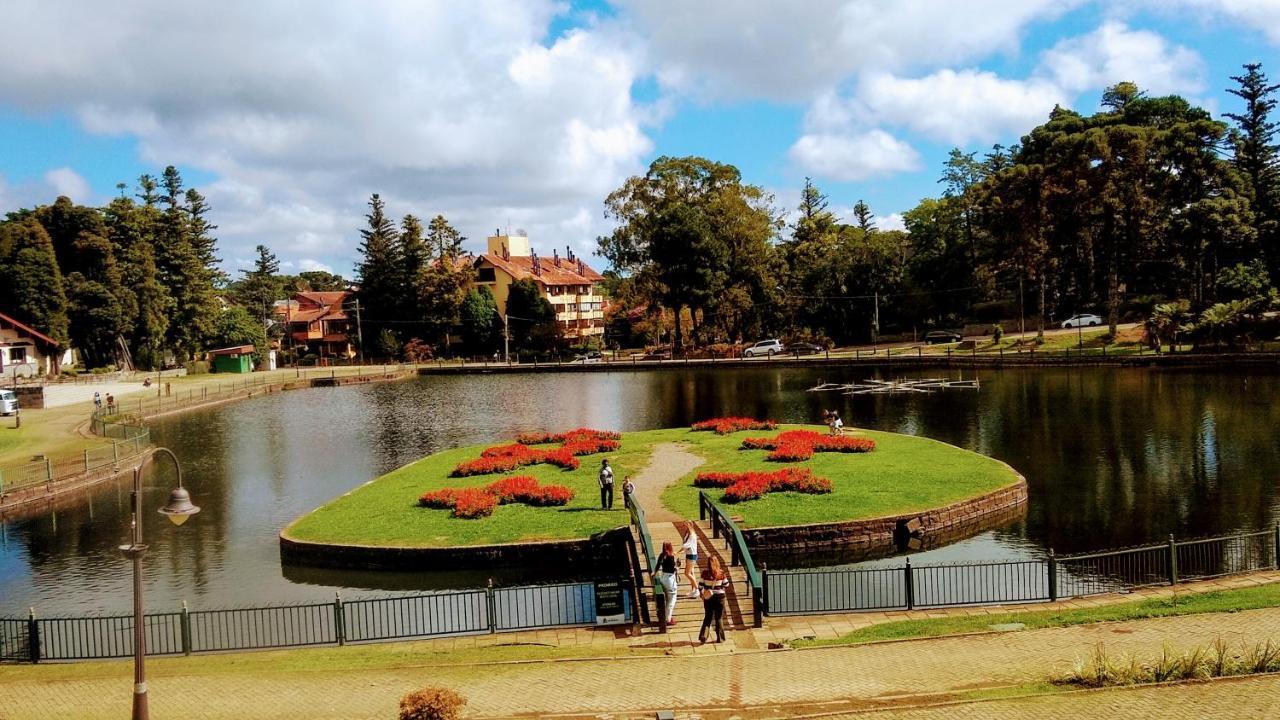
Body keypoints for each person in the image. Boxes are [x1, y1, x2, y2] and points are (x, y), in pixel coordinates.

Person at [698, 556, 730, 644]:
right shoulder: (721, 573)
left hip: (709, 597)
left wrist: (702, 593)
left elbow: (700, 586)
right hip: (720, 597)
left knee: (708, 616)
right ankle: (720, 638)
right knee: (718, 617)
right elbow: (726, 584)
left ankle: (704, 636)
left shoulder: (704, 573)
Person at [653, 541, 679, 626]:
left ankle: (667, 616)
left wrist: (654, 572)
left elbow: (658, 565)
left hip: (663, 578)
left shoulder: (662, 555)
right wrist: (677, 566)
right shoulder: (670, 556)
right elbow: (672, 569)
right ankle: (668, 619)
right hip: (670, 579)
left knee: (667, 599)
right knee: (671, 600)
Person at [681, 524, 699, 597]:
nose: (683, 527)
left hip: (692, 555)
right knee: (691, 572)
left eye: (684, 526)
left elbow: (687, 545)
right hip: (689, 554)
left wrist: (678, 551)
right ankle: (693, 590)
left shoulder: (692, 535)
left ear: (688, 526)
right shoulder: (687, 534)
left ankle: (697, 589)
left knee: (687, 573)